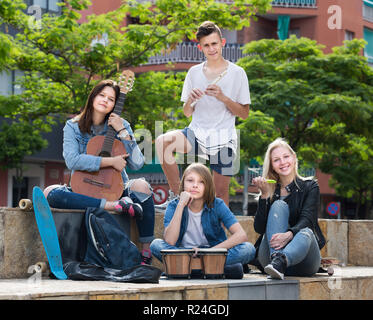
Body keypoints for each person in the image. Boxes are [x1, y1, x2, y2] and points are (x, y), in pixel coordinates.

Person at [43, 79, 155, 265]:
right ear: (93, 96)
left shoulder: (121, 124)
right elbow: (72, 160)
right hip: (83, 188)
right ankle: (112, 205)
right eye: (102, 95)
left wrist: (123, 132)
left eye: (111, 99)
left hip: (116, 187)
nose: (105, 100)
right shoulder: (73, 126)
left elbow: (137, 164)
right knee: (50, 193)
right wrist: (110, 161)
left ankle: (145, 252)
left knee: (142, 186)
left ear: (115, 104)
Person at [155, 21, 250, 210]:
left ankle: (221, 235)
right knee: (162, 142)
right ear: (200, 48)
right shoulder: (193, 72)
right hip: (197, 133)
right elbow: (187, 112)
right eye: (206, 45)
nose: (211, 48)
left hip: (223, 137)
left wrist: (223, 97)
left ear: (222, 42)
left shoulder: (238, 73)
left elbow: (245, 114)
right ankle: (177, 197)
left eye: (214, 43)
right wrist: (190, 100)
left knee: (220, 195)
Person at [150, 163, 256, 278]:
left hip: (213, 253)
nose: (195, 185)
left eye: (201, 182)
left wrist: (207, 252)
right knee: (156, 245)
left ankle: (186, 269)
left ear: (208, 186)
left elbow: (241, 235)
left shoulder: (217, 204)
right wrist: (181, 205)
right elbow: (170, 241)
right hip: (183, 254)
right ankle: (209, 269)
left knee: (248, 249)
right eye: (190, 180)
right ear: (183, 183)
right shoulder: (174, 205)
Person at [252, 138, 326, 280]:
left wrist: (289, 234)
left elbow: (308, 219)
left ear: (294, 158)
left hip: (304, 260)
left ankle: (281, 261)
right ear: (272, 166)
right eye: (277, 160)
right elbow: (260, 229)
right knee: (278, 205)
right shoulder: (270, 190)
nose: (283, 162)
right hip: (269, 258)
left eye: (286, 156)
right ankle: (277, 261)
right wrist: (265, 196)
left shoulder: (310, 186)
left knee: (306, 232)